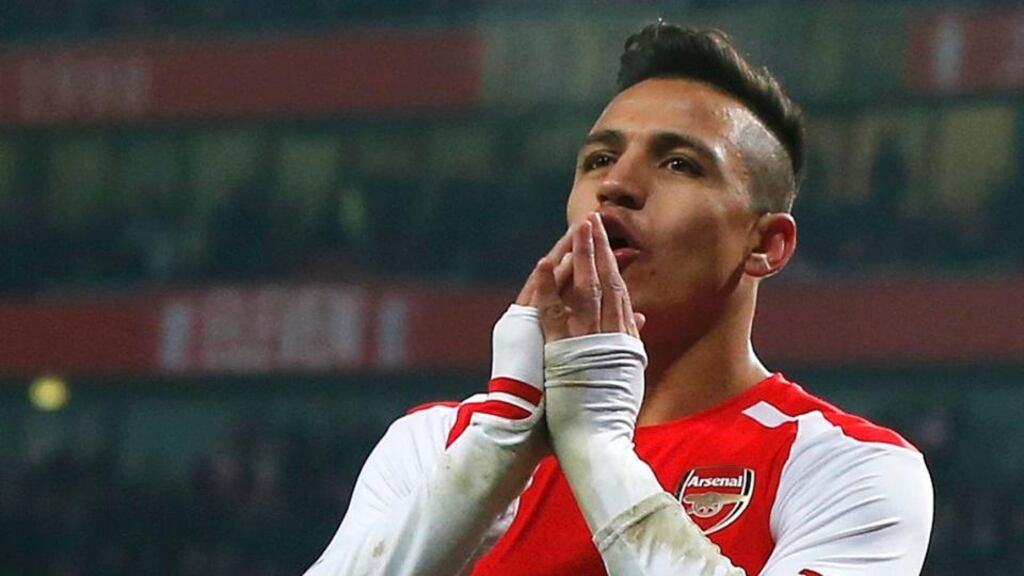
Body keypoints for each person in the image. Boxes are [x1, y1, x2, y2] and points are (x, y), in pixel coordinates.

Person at [305, 22, 933, 575]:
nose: (618, 185)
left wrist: (600, 450)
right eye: (599, 158)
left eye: (681, 165)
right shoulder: (435, 443)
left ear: (766, 243)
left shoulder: (846, 470)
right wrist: (499, 441)